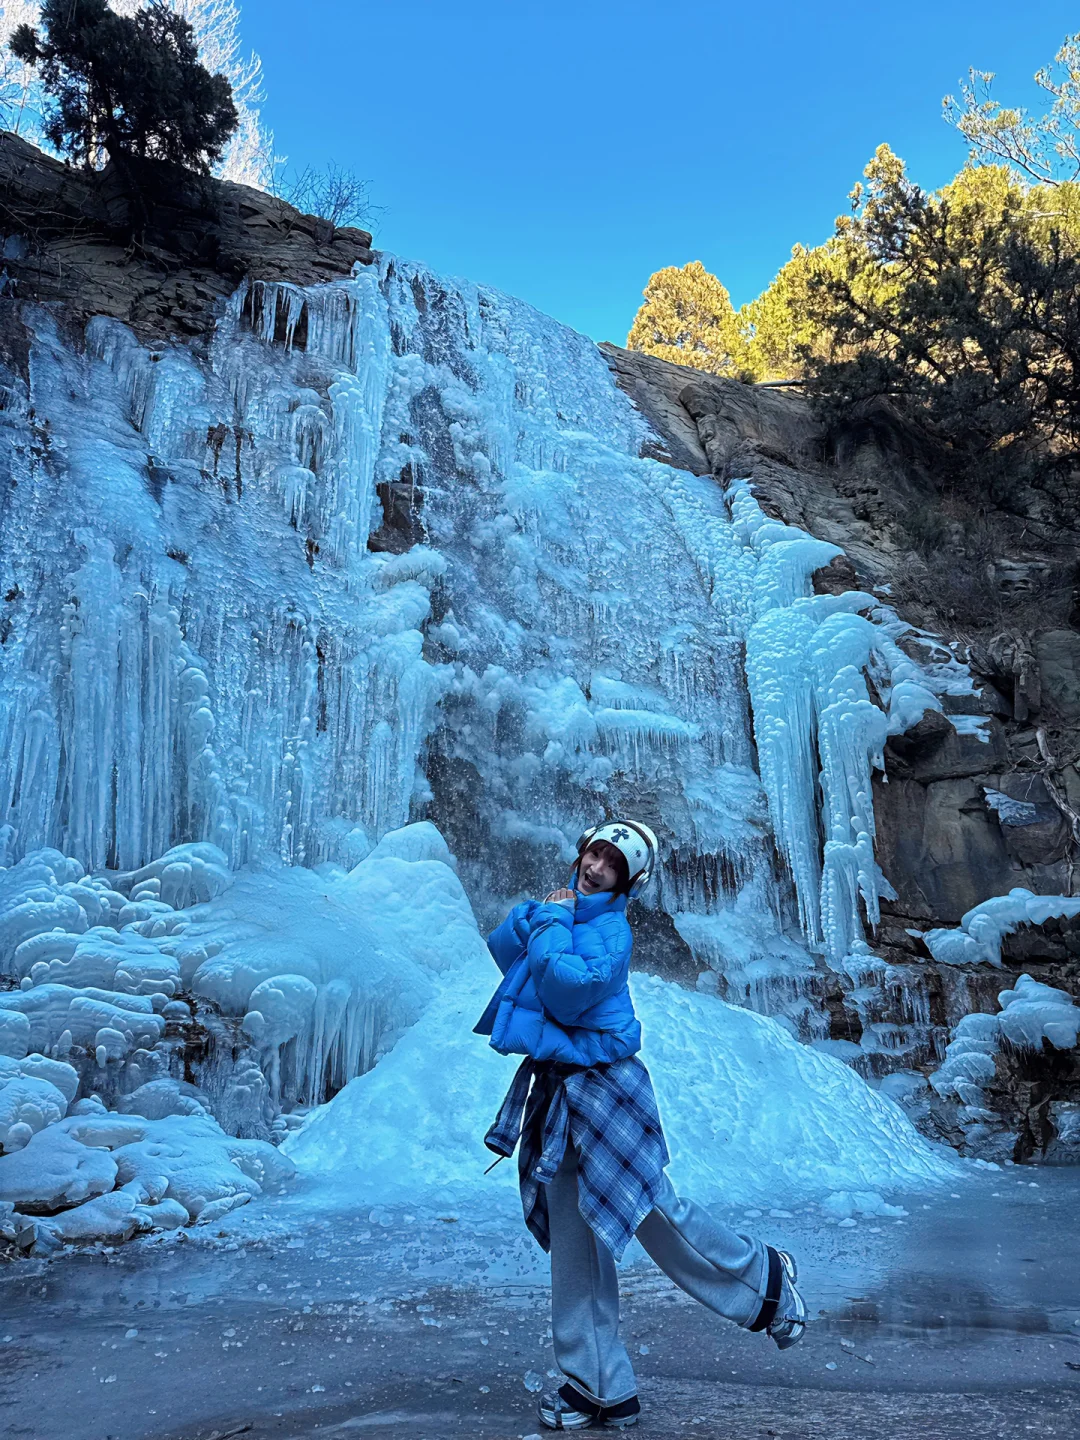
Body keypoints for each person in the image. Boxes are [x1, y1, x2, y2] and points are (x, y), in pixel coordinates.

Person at [474, 819, 806, 1431]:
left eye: (611, 864)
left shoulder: (610, 931)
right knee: (578, 1240)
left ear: (627, 883)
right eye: (593, 853)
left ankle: (763, 1280)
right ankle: (597, 1383)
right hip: (560, 1084)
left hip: (604, 1088)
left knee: (653, 1214)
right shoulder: (573, 913)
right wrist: (543, 916)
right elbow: (505, 953)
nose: (595, 867)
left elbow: (566, 991)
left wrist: (551, 921)